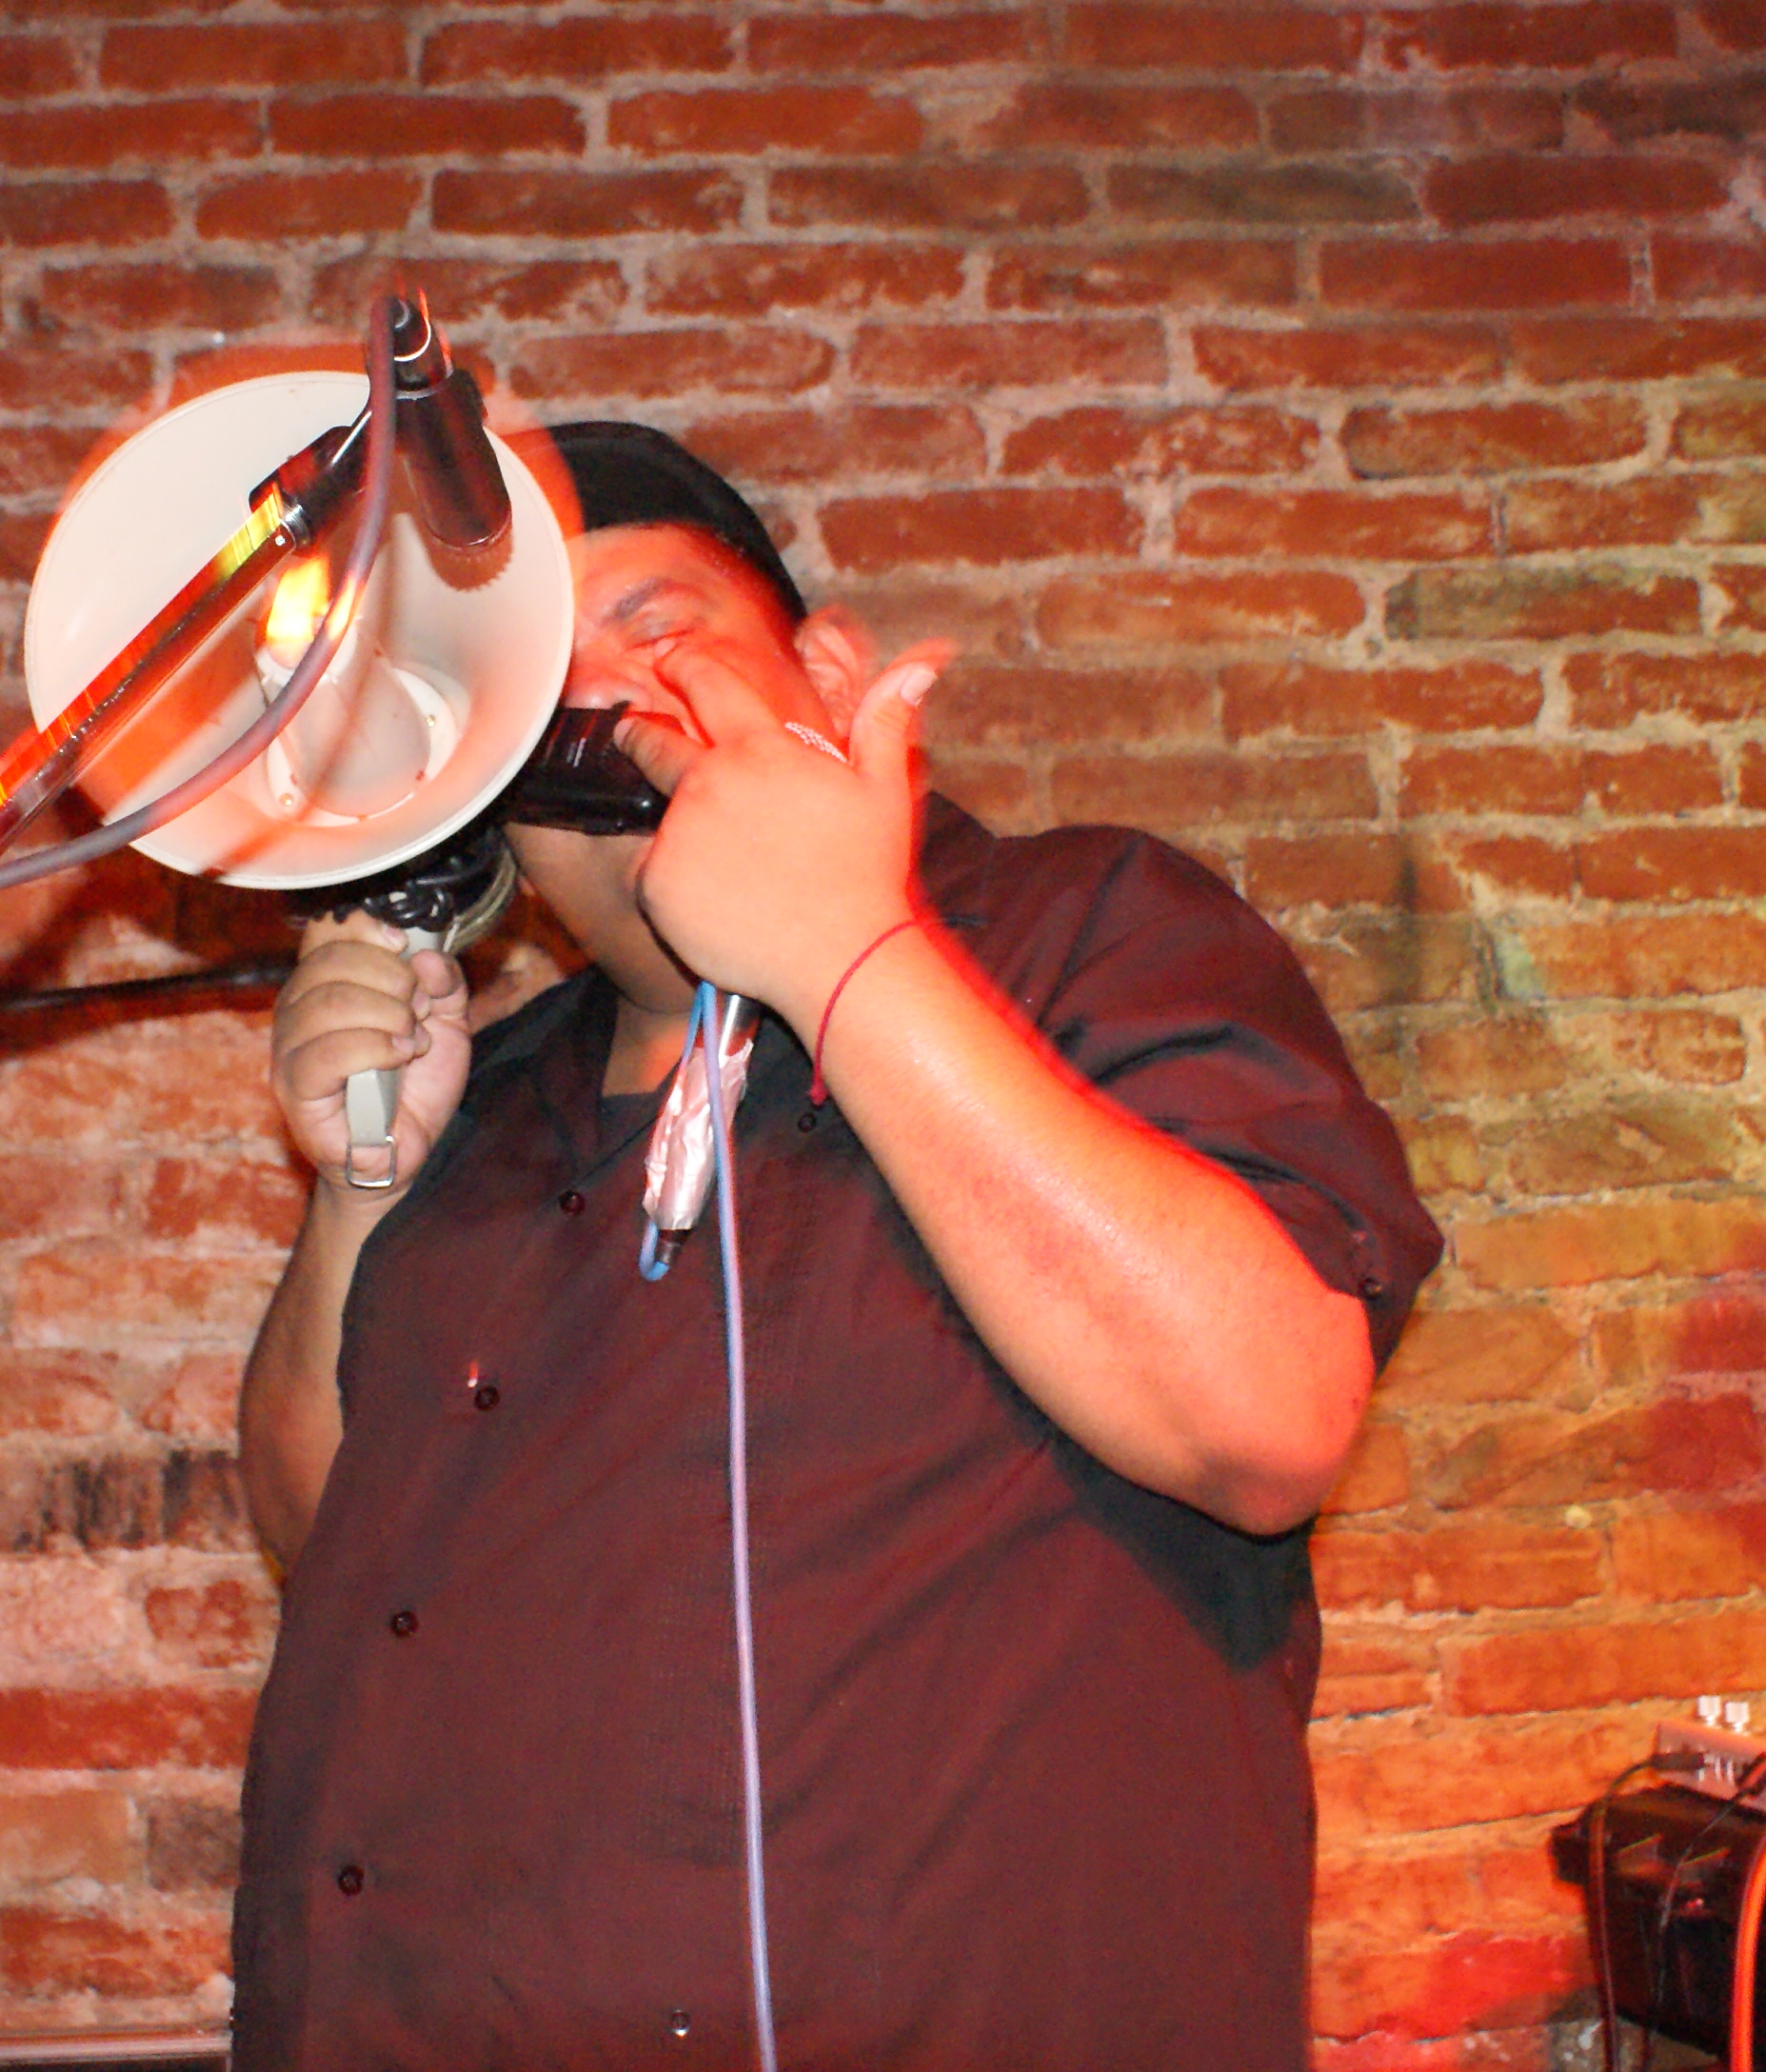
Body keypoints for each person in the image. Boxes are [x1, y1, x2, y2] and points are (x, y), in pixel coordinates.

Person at [228, 420, 1442, 2070]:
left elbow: (1265, 1413)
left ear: (827, 669)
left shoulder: (1086, 931)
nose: (599, 700)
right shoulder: (493, 1093)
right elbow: (328, 1539)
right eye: (535, 685)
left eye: (652, 622)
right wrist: (362, 1187)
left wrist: (844, 952)